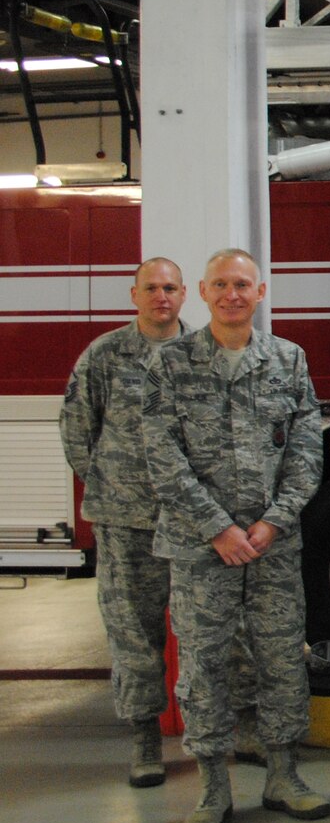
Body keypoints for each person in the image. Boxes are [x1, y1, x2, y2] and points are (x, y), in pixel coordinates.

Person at [142, 249, 328, 823]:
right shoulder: (168, 365)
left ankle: (283, 775)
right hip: (202, 550)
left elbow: (306, 450)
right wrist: (217, 528)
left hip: (272, 544)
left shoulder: (287, 360)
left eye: (242, 284)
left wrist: (274, 520)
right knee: (205, 666)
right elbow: (161, 456)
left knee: (280, 659)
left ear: (261, 291)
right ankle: (213, 786)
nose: (232, 294)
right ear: (203, 291)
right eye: (221, 284)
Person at [61, 257, 191, 788]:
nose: (161, 297)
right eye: (152, 288)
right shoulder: (106, 355)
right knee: (133, 633)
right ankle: (144, 740)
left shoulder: (199, 354)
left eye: (170, 288)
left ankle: (225, 731)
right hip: (125, 521)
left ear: (186, 295)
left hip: (191, 520)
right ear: (133, 294)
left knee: (209, 632)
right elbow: (77, 429)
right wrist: (113, 485)